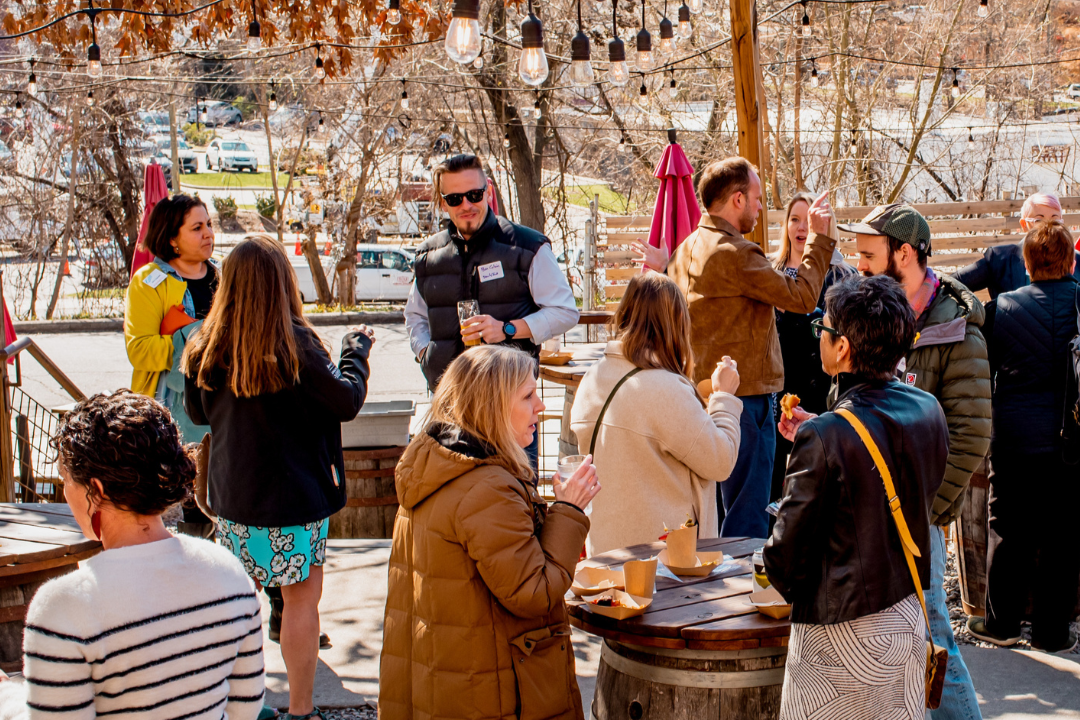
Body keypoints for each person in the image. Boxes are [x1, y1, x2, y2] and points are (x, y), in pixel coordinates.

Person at [183, 235, 373, 720]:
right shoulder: (298, 345)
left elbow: (197, 413)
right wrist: (357, 351)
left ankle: (237, 705)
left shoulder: (205, 344)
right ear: (283, 282)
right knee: (300, 604)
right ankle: (301, 709)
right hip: (296, 500)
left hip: (234, 499)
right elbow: (347, 401)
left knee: (237, 604)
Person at [0, 391, 265, 720]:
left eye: (66, 480)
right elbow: (245, 709)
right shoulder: (228, 572)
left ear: (95, 490)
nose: (65, 492)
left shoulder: (63, 606)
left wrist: (7, 699)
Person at [764, 275, 949, 720]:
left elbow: (784, 563)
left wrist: (820, 435)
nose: (820, 338)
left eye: (823, 330)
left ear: (843, 348)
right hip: (905, 617)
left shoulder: (825, 436)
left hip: (837, 639)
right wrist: (823, 428)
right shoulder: (928, 409)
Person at [379, 345, 598, 720]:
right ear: (492, 405)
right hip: (489, 693)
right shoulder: (487, 488)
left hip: (444, 681)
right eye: (528, 396)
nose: (540, 407)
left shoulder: (433, 467)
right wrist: (570, 511)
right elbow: (534, 591)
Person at [846, 203, 991, 720]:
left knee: (933, 641)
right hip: (870, 511)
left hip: (915, 520)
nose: (856, 264)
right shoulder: (875, 319)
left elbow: (972, 434)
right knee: (898, 644)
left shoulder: (957, 329)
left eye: (867, 255)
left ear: (903, 254)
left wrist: (927, 511)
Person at [663, 157, 838, 538]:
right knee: (747, 520)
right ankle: (746, 596)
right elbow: (803, 295)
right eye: (757, 199)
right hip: (747, 399)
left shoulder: (683, 251)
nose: (761, 208)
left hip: (699, 397)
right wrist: (820, 239)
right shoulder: (737, 253)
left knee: (715, 514)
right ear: (738, 200)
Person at [404, 153, 578, 466]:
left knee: (514, 499)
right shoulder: (428, 255)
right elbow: (414, 317)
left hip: (508, 405)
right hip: (449, 402)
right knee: (453, 501)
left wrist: (508, 328)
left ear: (488, 191)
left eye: (474, 194)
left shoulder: (527, 246)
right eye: (455, 198)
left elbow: (565, 310)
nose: (466, 205)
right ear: (442, 203)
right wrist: (425, 354)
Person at [966, 221, 1080, 653]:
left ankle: (1002, 624)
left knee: (1007, 530)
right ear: (1071, 261)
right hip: (1072, 442)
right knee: (1064, 536)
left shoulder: (1004, 309)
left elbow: (983, 370)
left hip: (1014, 441)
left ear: (1027, 265)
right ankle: (1053, 633)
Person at [569, 272, 742, 556]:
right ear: (675, 325)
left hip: (605, 549)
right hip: (662, 560)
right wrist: (723, 396)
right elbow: (720, 461)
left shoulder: (593, 377)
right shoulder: (664, 388)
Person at [123, 193, 219, 539]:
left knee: (220, 503)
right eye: (197, 227)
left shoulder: (222, 277)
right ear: (171, 239)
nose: (208, 233)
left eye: (208, 224)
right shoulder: (148, 283)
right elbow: (139, 349)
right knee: (181, 510)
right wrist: (195, 338)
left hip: (221, 412)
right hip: (171, 418)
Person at [769, 191, 856, 503]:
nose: (800, 227)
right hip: (779, 386)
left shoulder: (843, 276)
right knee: (777, 476)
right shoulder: (771, 272)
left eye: (808, 220)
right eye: (794, 219)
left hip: (822, 388)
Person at [953, 192, 1080, 299]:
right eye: (1039, 220)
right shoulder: (1000, 259)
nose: (1047, 226)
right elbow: (953, 284)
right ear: (1024, 225)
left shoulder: (1077, 259)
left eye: (1055, 220)